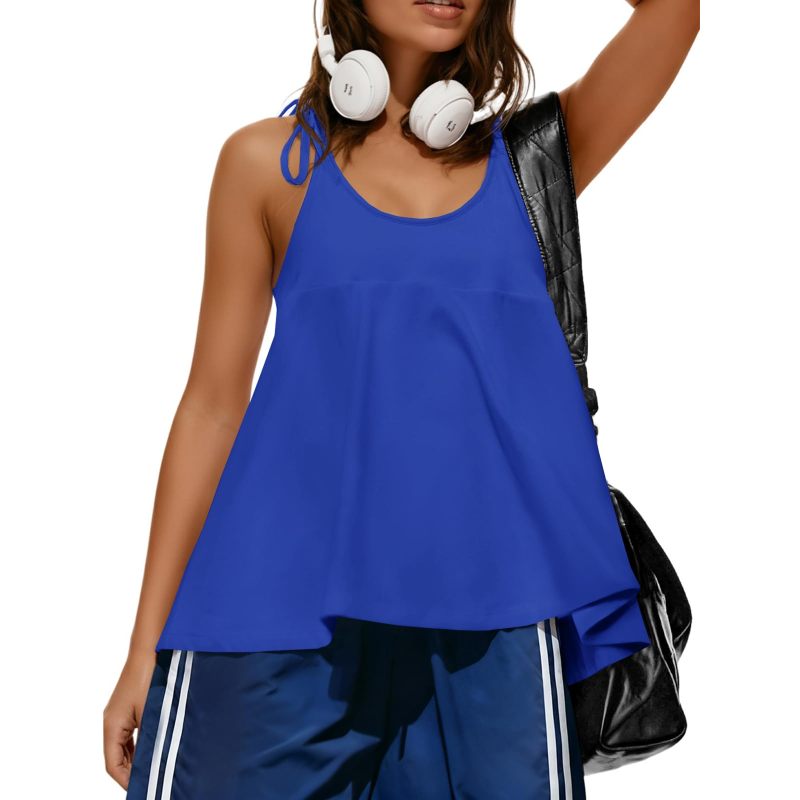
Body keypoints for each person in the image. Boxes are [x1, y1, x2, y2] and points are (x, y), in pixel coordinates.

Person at [104, 1, 699, 797]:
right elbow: (213, 406)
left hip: (498, 619)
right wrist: (144, 646)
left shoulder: (525, 166)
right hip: (274, 608)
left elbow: (674, 15)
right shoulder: (269, 164)